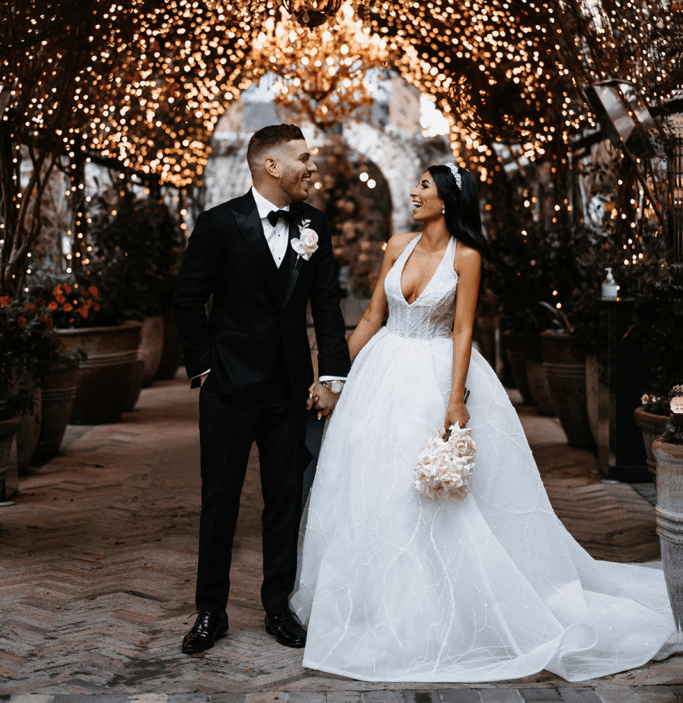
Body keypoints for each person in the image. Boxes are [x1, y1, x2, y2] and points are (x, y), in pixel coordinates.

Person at [291, 162, 678, 682]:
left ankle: (442, 609)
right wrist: (333, 379)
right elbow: (369, 319)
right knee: (372, 488)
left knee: (432, 495)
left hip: (434, 376)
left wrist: (455, 400)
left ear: (447, 199)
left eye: (424, 186)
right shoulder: (395, 243)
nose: (413, 192)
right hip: (381, 376)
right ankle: (374, 606)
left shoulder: (467, 257)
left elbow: (462, 330)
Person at [173, 123, 350, 656]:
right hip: (227, 387)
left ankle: (279, 608)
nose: (312, 166)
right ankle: (211, 611)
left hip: (290, 390)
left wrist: (332, 376)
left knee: (285, 501)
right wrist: (204, 369)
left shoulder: (314, 225)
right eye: (303, 157)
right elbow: (188, 299)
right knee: (219, 499)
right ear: (271, 165)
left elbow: (326, 306)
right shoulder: (218, 223)